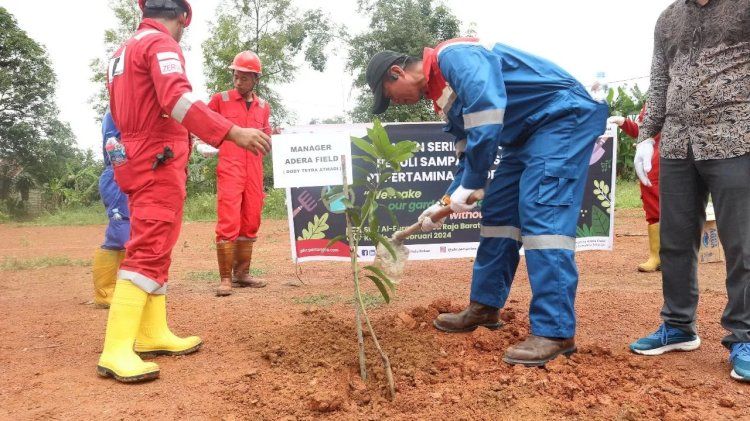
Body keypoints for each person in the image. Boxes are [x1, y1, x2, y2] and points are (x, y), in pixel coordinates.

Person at [366, 37, 608, 366]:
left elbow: (488, 112)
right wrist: (446, 201)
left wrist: (473, 183)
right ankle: (485, 306)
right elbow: (468, 157)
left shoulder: (452, 57)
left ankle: (555, 331)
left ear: (397, 73)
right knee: (499, 217)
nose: (396, 103)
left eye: (389, 96)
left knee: (542, 217)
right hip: (523, 137)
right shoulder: (443, 98)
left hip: (560, 118)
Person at [98, 0, 272, 383]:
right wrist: (232, 132)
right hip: (156, 157)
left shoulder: (123, 50)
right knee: (147, 247)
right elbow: (176, 99)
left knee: (158, 243)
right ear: (182, 17)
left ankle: (151, 332)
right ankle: (115, 350)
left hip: (141, 154)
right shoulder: (161, 45)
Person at [628, 0, 750, 382]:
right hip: (679, 143)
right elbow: (660, 80)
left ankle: (745, 336)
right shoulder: (668, 18)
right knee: (675, 240)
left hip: (737, 137)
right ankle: (679, 324)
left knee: (742, 243)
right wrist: (646, 136)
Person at [196, 51, 271, 297]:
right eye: (236, 77)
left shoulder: (263, 106)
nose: (238, 83)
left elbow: (266, 137)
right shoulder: (220, 100)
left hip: (255, 171)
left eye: (244, 79)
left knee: (251, 220)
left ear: (255, 79)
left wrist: (274, 137)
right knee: (228, 220)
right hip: (230, 168)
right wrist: (208, 146)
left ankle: (242, 274)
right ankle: (225, 278)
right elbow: (203, 125)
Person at [608, 104, 661, 272]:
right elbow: (641, 131)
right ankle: (657, 256)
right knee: (653, 206)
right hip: (651, 161)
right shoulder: (652, 101)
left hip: (680, 158)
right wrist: (622, 122)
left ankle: (677, 256)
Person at [91, 110, 129, 308]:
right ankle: (104, 293)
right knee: (120, 234)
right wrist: (126, 172)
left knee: (132, 234)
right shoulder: (115, 111)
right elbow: (112, 143)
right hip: (118, 176)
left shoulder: (135, 109)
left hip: (133, 177)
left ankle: (124, 288)